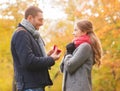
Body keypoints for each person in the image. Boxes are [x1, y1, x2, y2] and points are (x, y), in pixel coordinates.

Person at [11, 6, 61, 91]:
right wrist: (51, 59)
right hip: (29, 87)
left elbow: (32, 58)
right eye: (40, 20)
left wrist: (47, 56)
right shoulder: (22, 34)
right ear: (30, 18)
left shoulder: (30, 35)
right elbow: (29, 62)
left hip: (34, 86)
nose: (42, 23)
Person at [60, 19, 102, 91]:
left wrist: (69, 53)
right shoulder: (75, 47)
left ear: (84, 32)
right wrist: (67, 52)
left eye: (76, 30)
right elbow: (62, 68)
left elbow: (70, 67)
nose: (73, 33)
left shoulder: (85, 47)